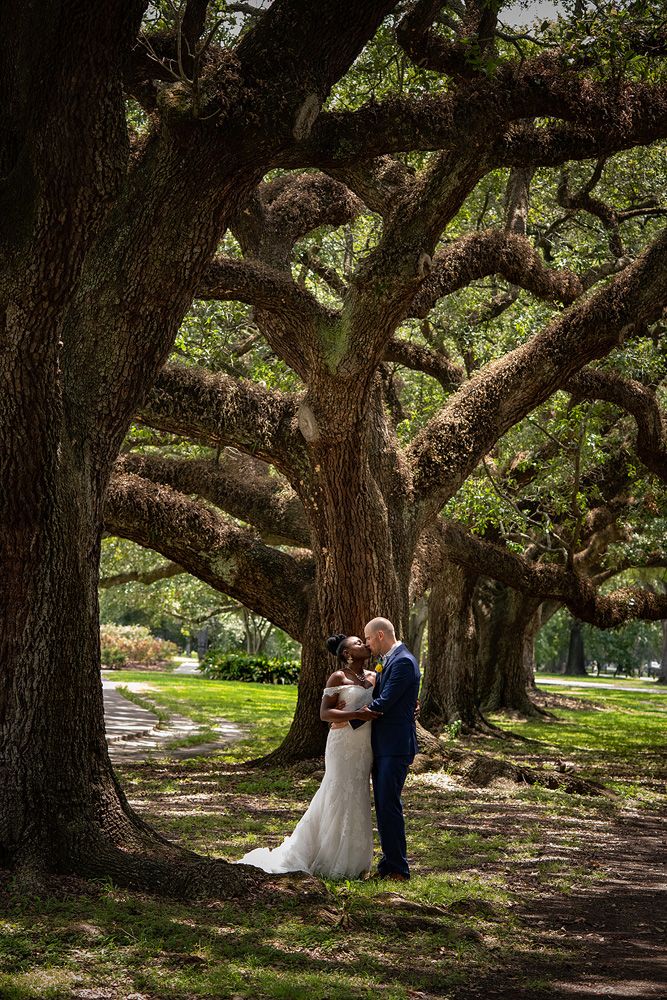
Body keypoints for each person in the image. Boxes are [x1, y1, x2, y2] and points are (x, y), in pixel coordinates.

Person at [235, 633, 381, 878]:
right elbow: (325, 713)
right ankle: (328, 857)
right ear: (346, 654)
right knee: (337, 792)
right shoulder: (339, 677)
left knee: (358, 794)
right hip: (342, 743)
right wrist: (354, 715)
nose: (364, 645)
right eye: (357, 643)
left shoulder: (375, 676)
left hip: (364, 746)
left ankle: (355, 861)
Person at [348, 617, 420, 882]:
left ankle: (399, 869)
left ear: (379, 635)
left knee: (389, 805)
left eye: (367, 638)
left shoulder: (402, 661)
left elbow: (384, 702)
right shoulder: (392, 660)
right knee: (384, 804)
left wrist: (346, 720)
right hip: (384, 744)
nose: (366, 644)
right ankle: (389, 863)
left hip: (395, 746)